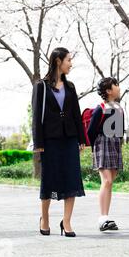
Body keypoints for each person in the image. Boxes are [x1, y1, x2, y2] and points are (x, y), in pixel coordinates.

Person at [32, 47, 85, 237]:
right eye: (68, 60)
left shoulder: (70, 87)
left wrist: (81, 139)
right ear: (58, 61)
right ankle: (44, 218)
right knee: (49, 180)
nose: (71, 64)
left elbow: (76, 115)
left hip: (70, 138)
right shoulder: (41, 86)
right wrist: (38, 143)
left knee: (72, 178)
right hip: (50, 140)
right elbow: (37, 116)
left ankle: (67, 221)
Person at [88, 77, 124, 232]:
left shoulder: (119, 108)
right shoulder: (100, 108)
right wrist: (95, 147)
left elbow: (120, 130)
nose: (118, 87)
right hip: (102, 144)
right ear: (109, 91)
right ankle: (102, 218)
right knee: (107, 181)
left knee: (110, 182)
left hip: (115, 144)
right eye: (115, 85)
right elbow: (90, 131)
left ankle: (106, 217)